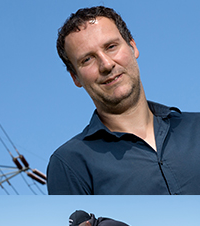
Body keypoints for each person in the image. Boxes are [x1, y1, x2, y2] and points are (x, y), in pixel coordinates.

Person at [47, 6, 200, 194]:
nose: (106, 64)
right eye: (87, 59)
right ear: (75, 77)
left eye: (111, 47)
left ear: (132, 46)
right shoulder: (70, 164)